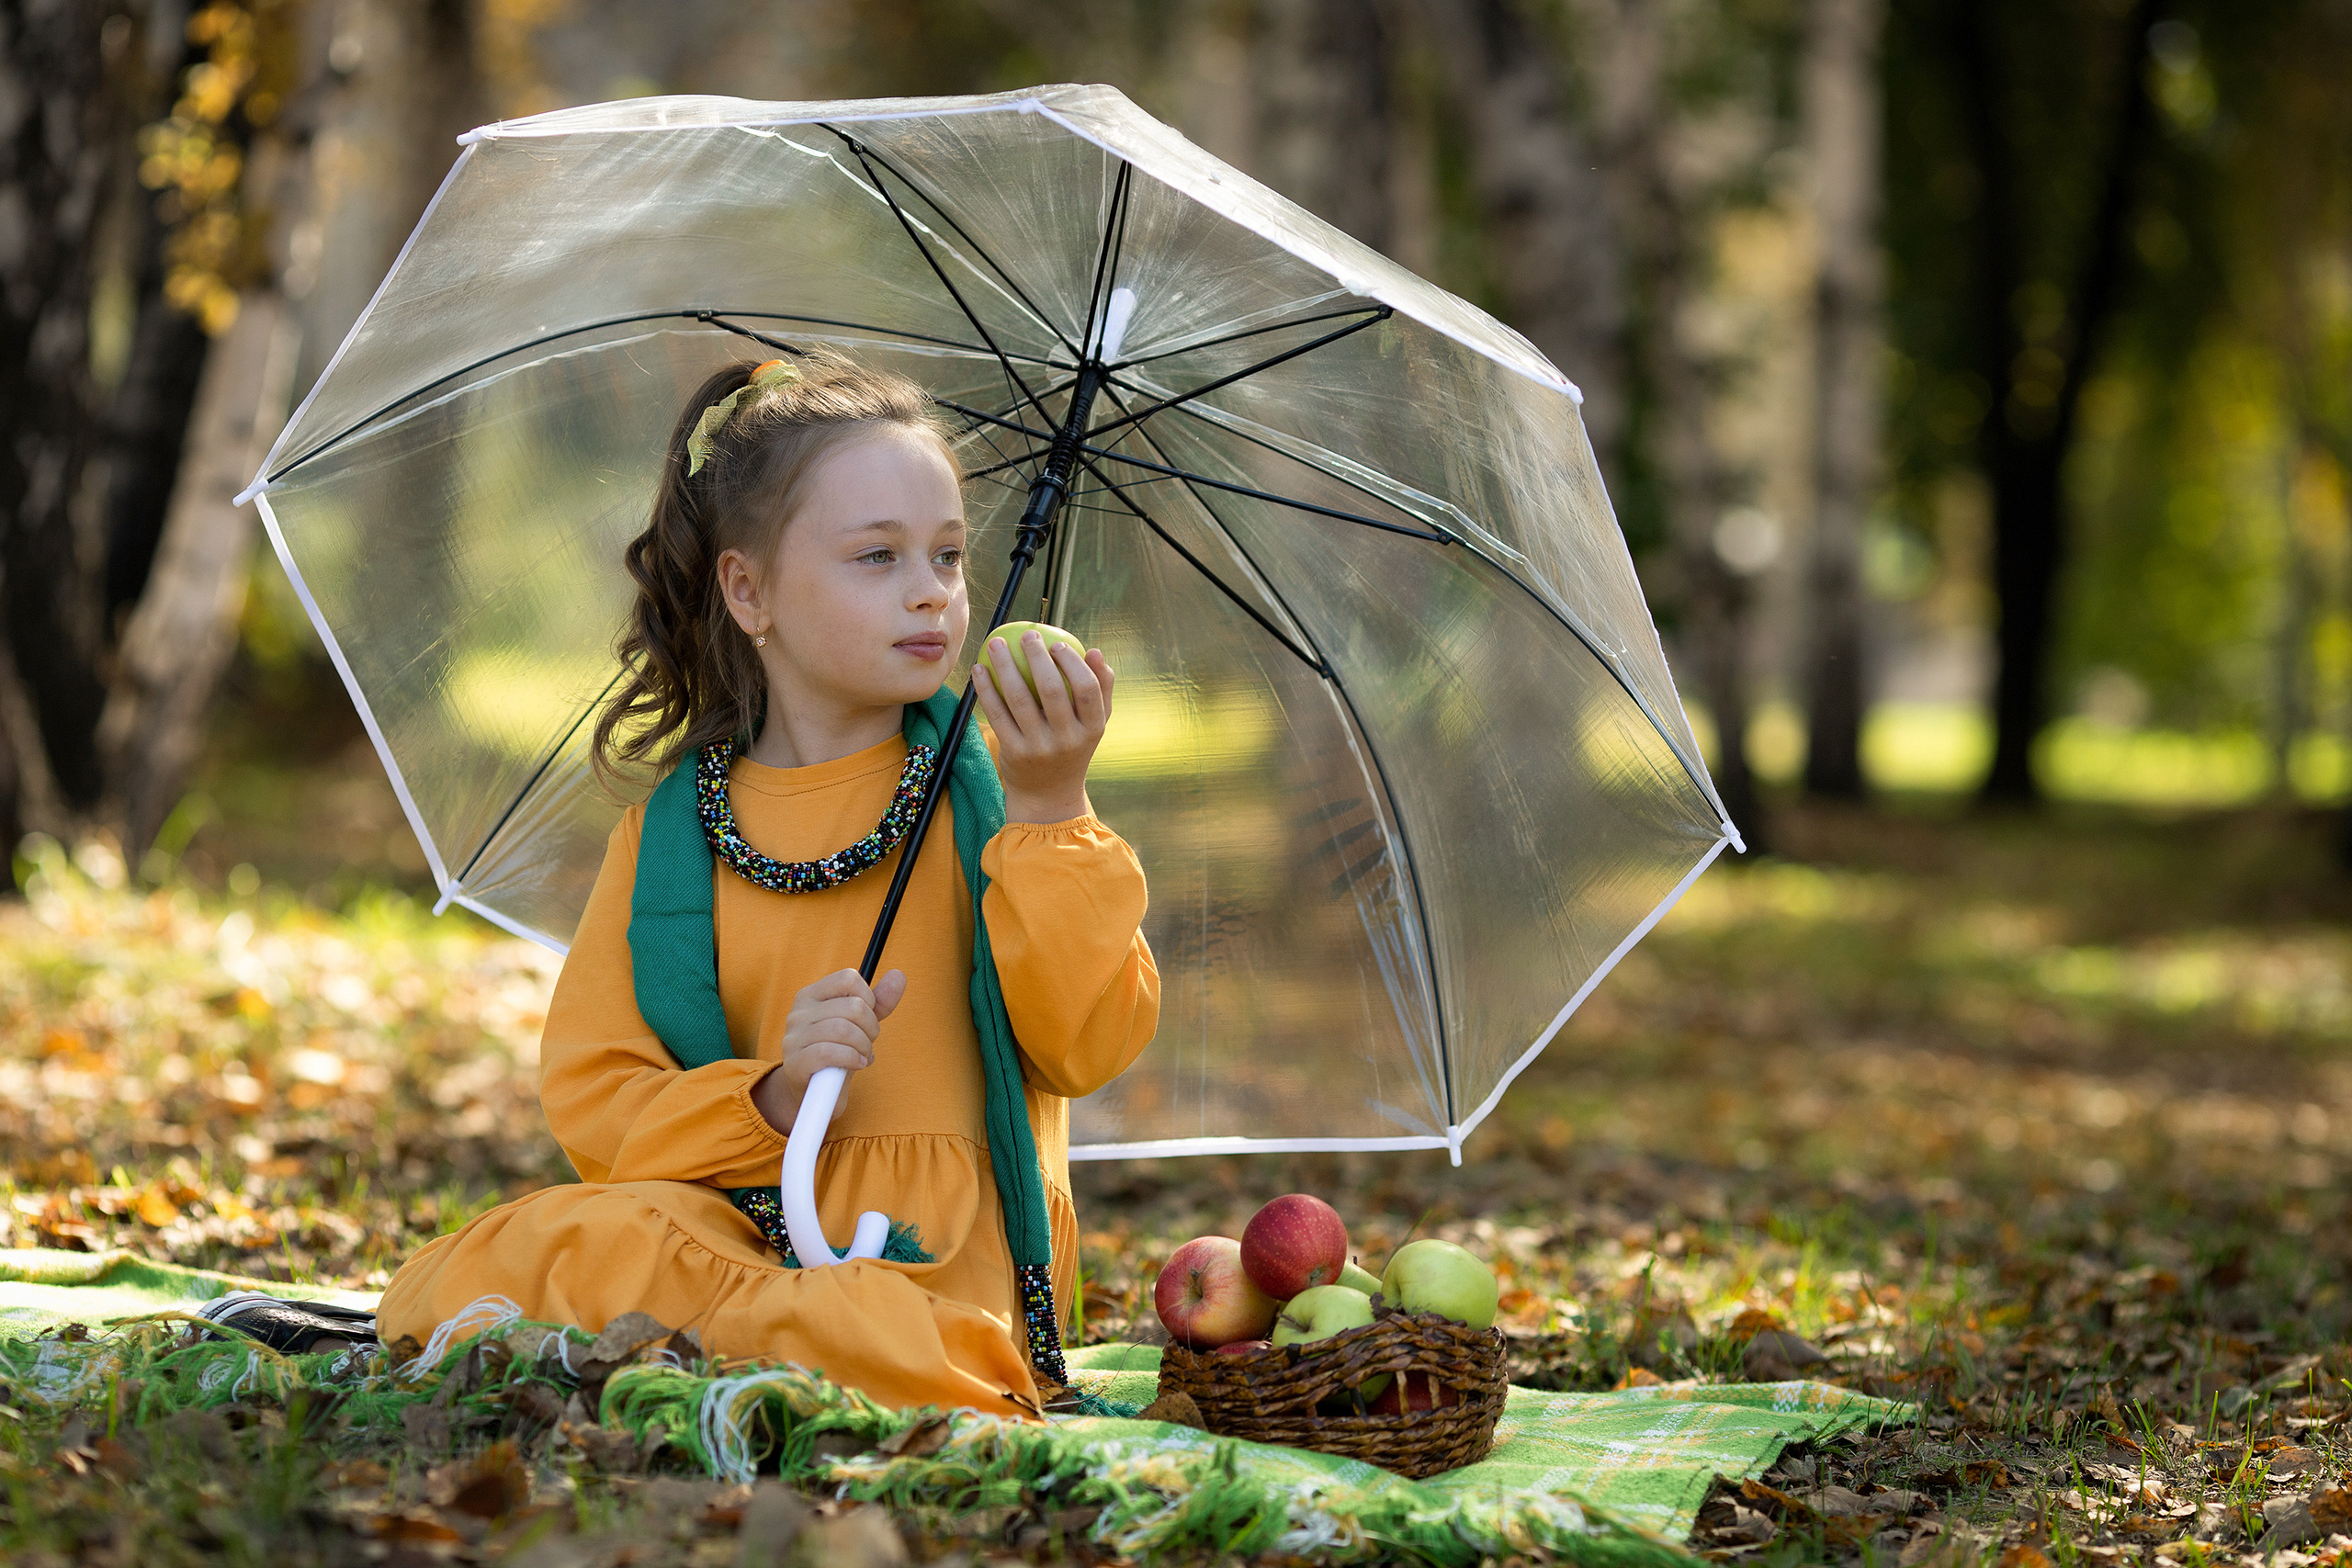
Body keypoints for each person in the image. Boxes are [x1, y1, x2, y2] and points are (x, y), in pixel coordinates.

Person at [375, 351, 1159, 1420]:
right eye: (877, 557)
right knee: (524, 1247)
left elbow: (1085, 1042)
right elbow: (598, 1104)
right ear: (748, 590)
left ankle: (806, 1352)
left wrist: (1052, 807)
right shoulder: (673, 835)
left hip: (940, 1270)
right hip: (739, 1227)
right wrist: (775, 1095)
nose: (930, 590)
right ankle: (764, 1339)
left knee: (879, 1332)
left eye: (946, 556)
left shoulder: (998, 799)